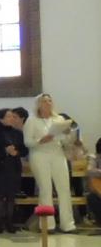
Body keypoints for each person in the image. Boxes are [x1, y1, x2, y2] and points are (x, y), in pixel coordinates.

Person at [23, 93, 78, 233]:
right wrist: (40, 141)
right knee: (45, 189)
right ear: (38, 104)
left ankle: (68, 224)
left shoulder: (59, 119)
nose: (48, 103)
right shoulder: (32, 120)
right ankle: (48, 225)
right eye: (44, 101)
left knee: (64, 188)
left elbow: (65, 141)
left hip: (57, 153)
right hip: (39, 154)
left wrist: (67, 133)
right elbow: (27, 142)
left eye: (49, 100)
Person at [0, 108, 26, 234]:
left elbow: (25, 150)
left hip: (14, 166)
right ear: (0, 119)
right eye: (9, 116)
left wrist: (17, 152)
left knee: (11, 196)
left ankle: (10, 222)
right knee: (0, 195)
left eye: (13, 116)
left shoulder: (18, 133)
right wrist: (4, 151)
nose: (12, 119)